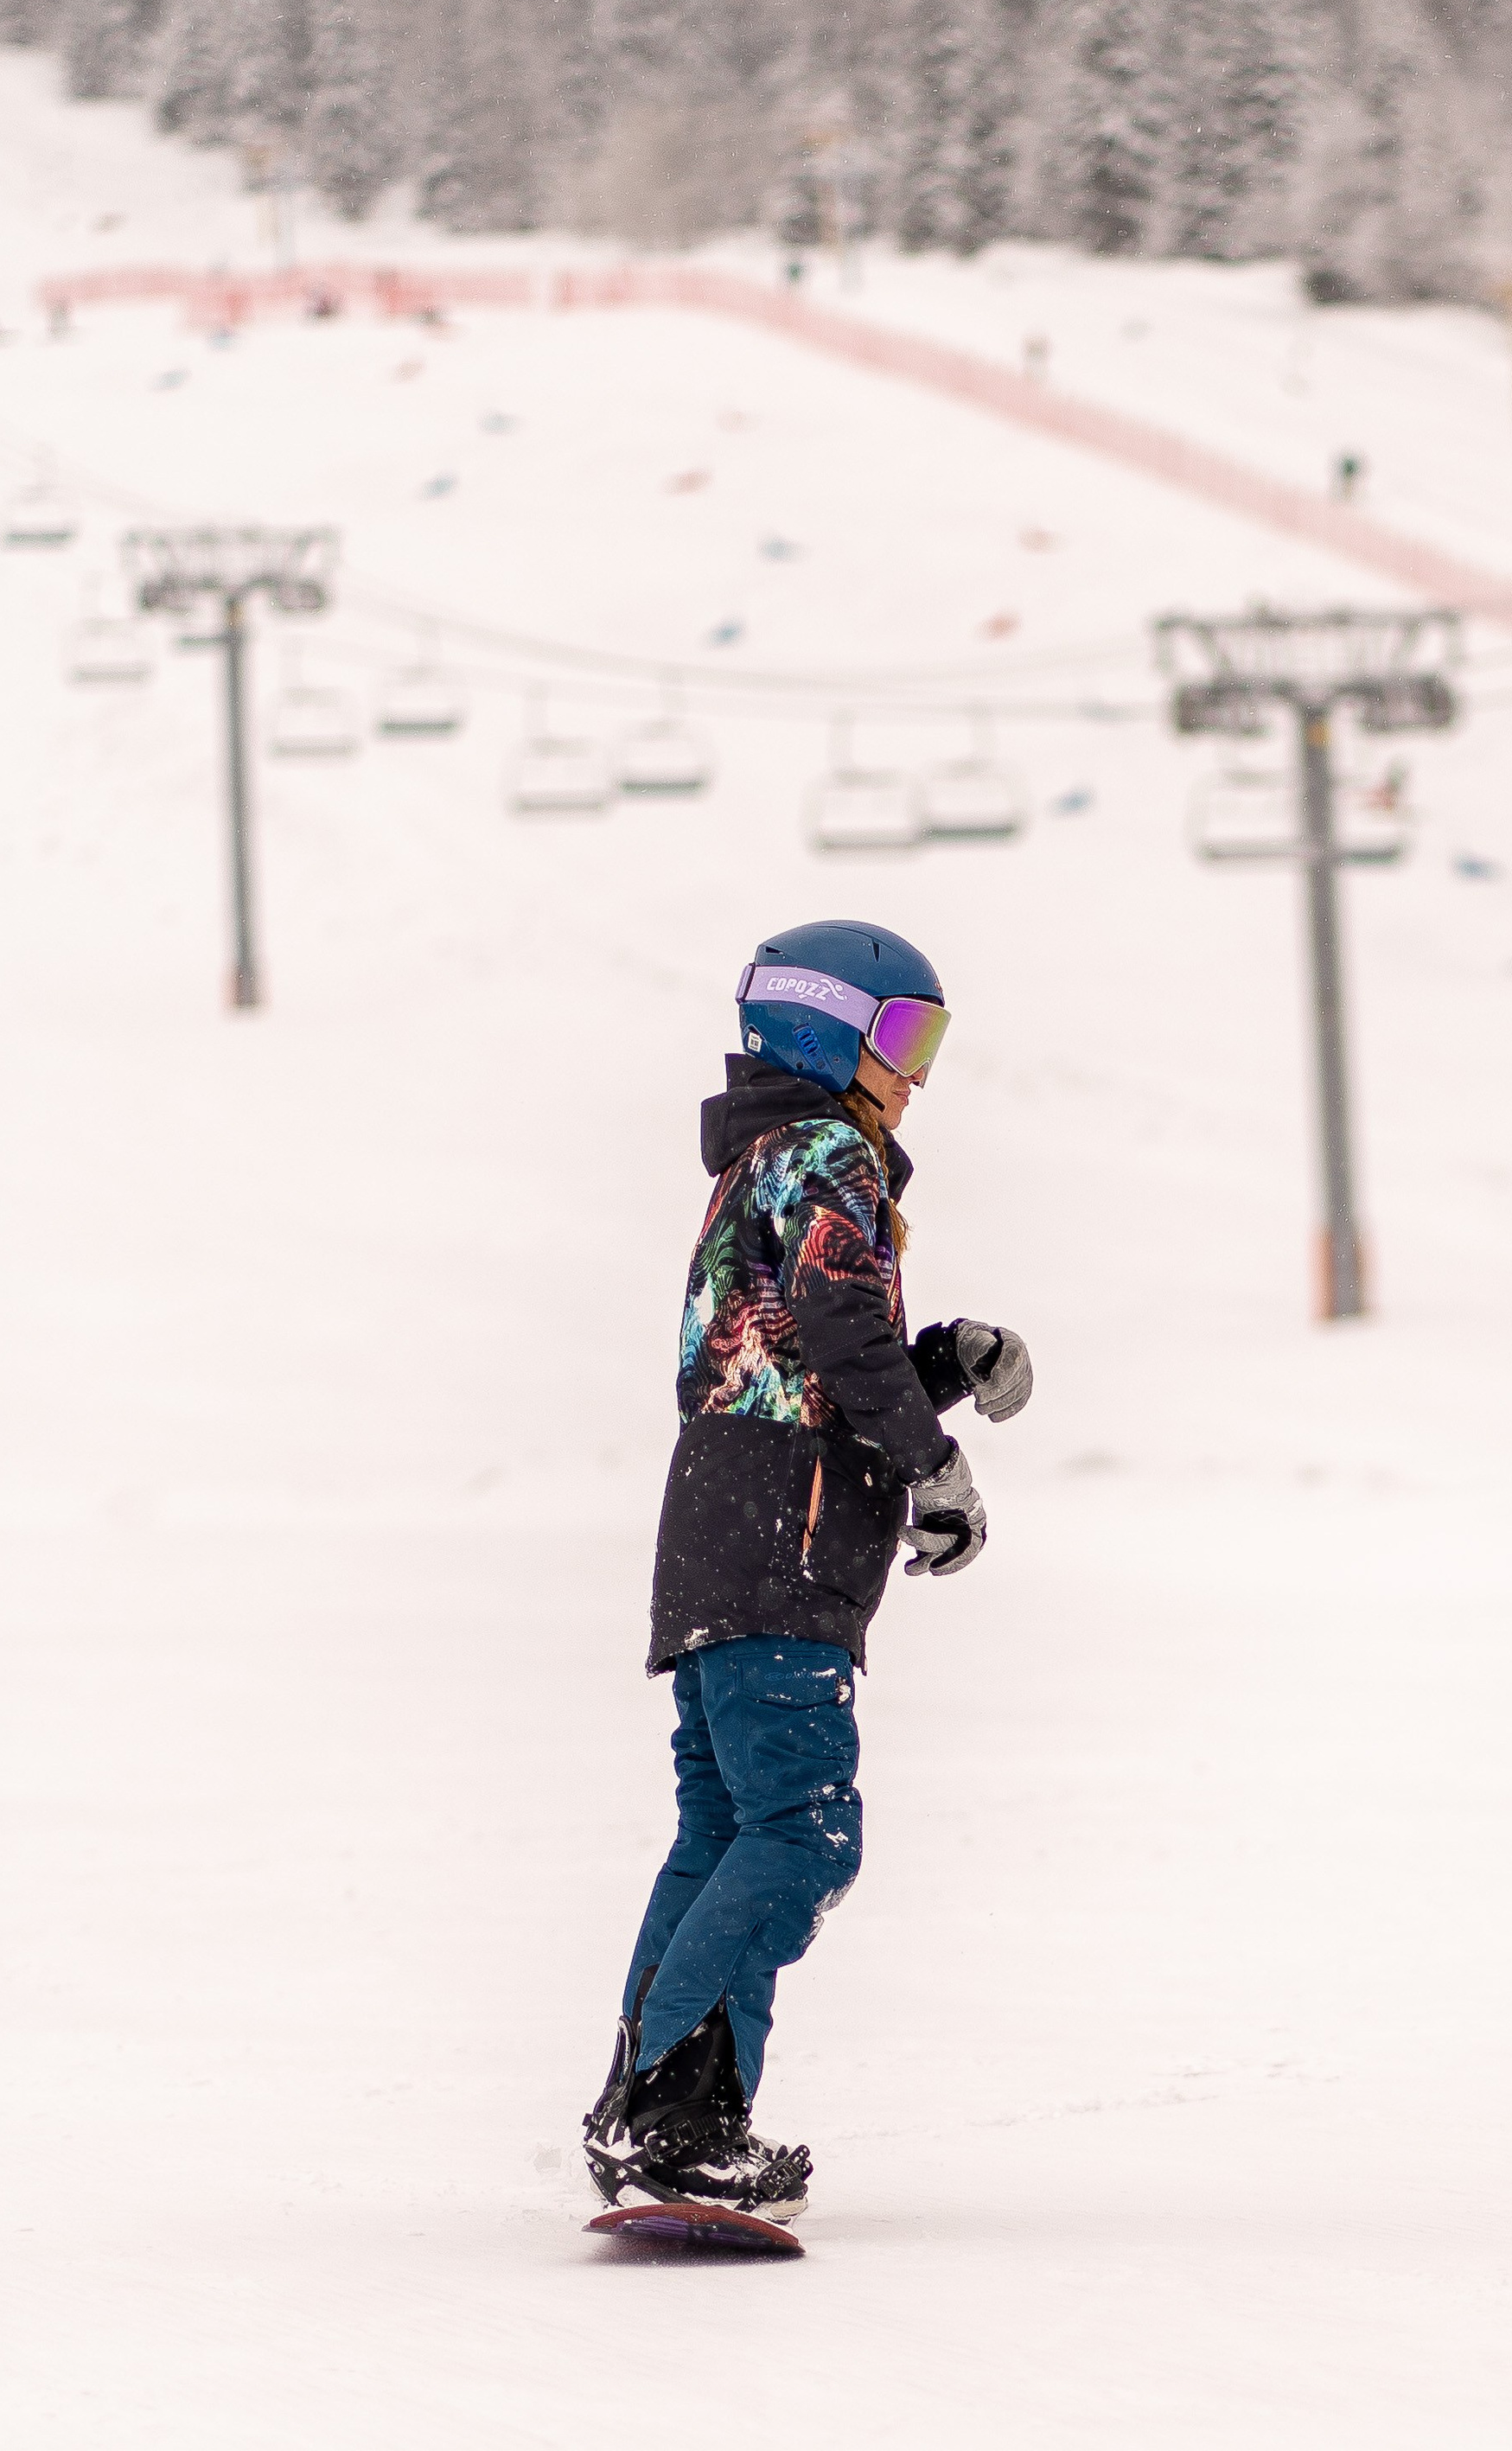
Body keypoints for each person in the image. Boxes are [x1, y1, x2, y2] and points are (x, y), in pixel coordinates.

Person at [582, 918, 1034, 2223]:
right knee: (802, 1831)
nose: (919, 1071)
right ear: (830, 1033)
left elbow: (796, 1347)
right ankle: (666, 2115)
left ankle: (663, 2114)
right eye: (905, 1037)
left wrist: (945, 1355)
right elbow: (834, 1324)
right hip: (785, 1526)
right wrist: (934, 1465)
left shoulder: (759, 1161)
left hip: (723, 1520)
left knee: (727, 1827)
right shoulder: (828, 1149)